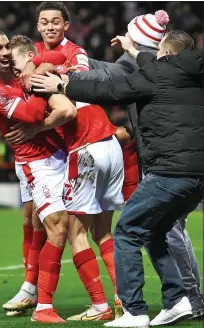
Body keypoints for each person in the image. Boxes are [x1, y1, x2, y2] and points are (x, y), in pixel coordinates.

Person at [35, 9, 204, 318]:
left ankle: (136, 312)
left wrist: (62, 85)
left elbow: (109, 88)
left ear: (164, 52)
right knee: (159, 229)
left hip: (168, 169)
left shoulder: (155, 74)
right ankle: (180, 299)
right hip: (194, 173)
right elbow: (135, 68)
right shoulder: (187, 73)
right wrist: (133, 49)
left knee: (127, 232)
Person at [6, 2, 126, 319]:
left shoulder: (66, 55)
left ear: (66, 25)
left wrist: (35, 122)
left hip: (83, 147)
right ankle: (119, 298)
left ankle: (94, 304)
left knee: (72, 230)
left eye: (55, 21)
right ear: (38, 27)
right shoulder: (37, 62)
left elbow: (81, 79)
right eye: (43, 21)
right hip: (104, 141)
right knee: (97, 231)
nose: (49, 26)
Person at [0, 29, 86, 323]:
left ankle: (90, 299)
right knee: (50, 225)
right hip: (35, 163)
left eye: (6, 48)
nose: (4, 53)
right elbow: (32, 117)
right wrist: (38, 75)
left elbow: (59, 55)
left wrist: (31, 66)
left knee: (69, 226)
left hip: (58, 156)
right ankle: (41, 303)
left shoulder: (15, 74)